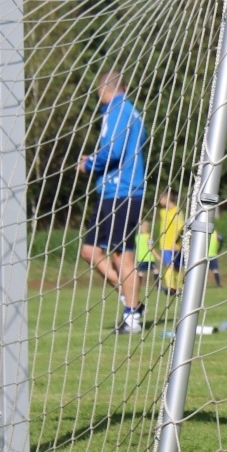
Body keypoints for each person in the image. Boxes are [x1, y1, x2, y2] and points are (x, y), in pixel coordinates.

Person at [77, 70, 146, 334]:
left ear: (101, 90)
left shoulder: (119, 111)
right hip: (110, 192)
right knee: (90, 251)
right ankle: (132, 297)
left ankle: (132, 318)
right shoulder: (126, 112)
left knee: (121, 255)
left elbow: (114, 151)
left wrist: (89, 164)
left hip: (123, 192)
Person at [156, 189, 185, 295]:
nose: (159, 201)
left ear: (166, 198)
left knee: (177, 267)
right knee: (169, 265)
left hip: (175, 245)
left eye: (161, 198)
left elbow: (182, 228)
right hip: (165, 245)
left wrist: (177, 242)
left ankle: (179, 287)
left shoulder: (177, 211)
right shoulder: (163, 212)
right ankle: (171, 288)